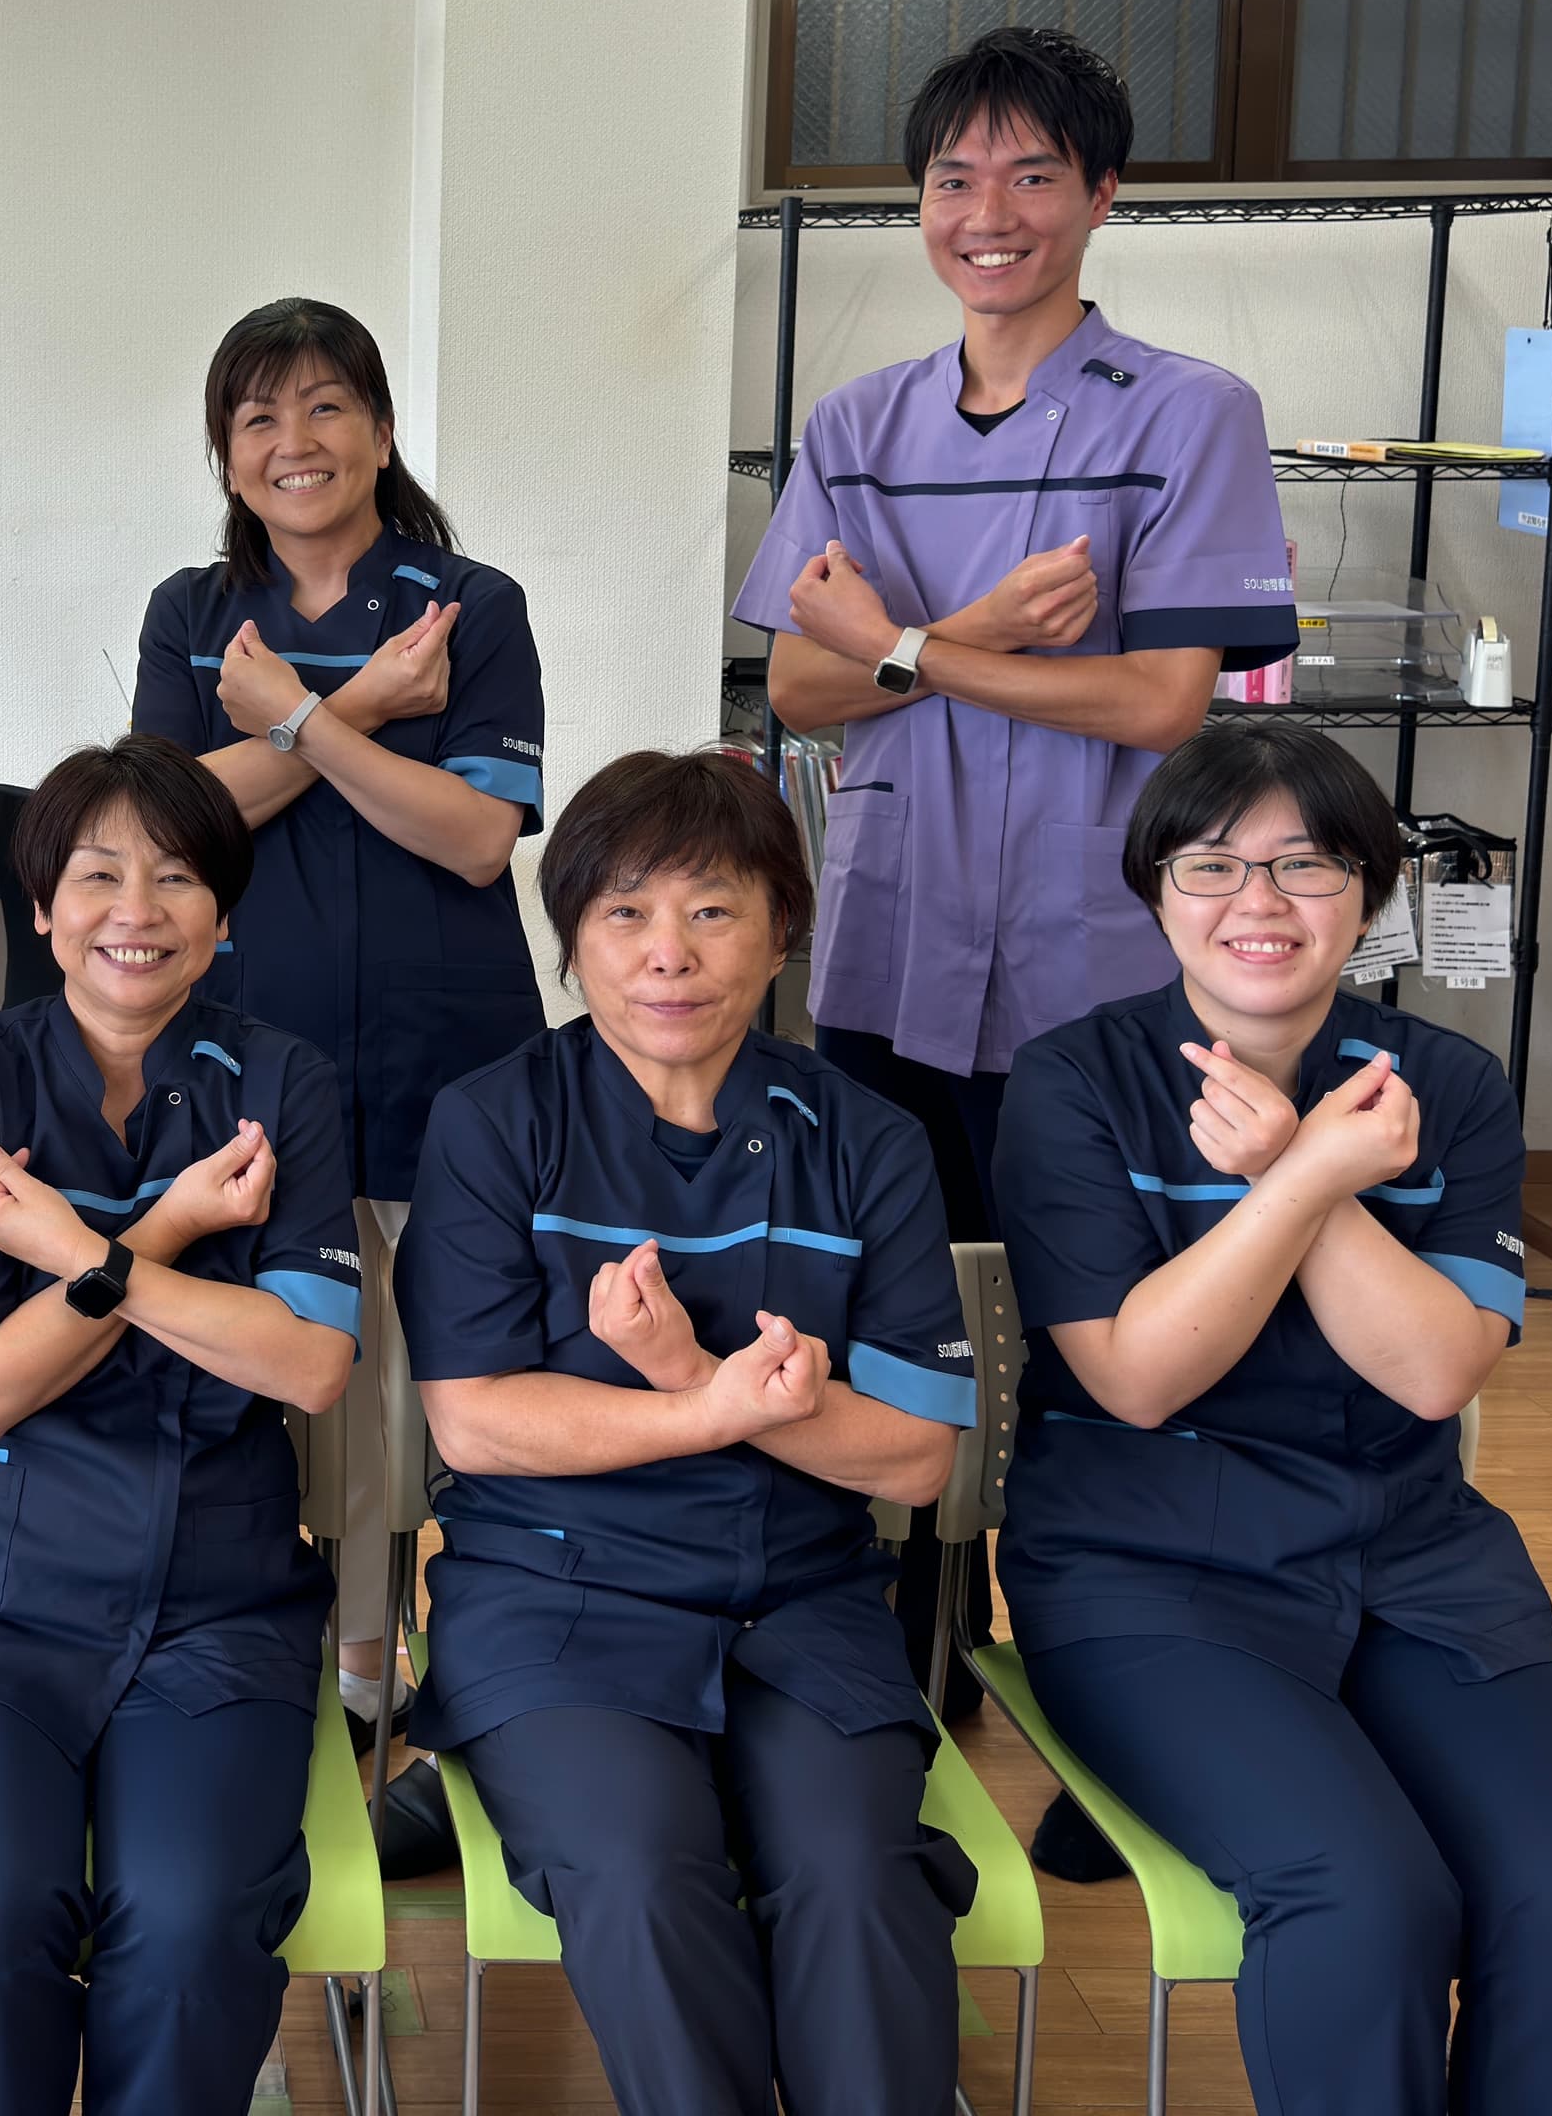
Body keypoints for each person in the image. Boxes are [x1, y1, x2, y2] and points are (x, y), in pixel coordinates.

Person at [731, 24, 1293, 1732]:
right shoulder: (857, 424)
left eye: (1034, 174)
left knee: (1099, 1321)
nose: (991, 213)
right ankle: (914, 1637)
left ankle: (1107, 1659)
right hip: (894, 946)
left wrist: (904, 642)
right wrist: (967, 633)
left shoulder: (1188, 415)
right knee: (893, 1297)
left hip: (1096, 956)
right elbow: (796, 689)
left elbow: (1162, 699)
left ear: (1101, 194)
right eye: (955, 177)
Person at [993, 723, 1552, 2116]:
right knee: (1365, 1898)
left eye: (1306, 865)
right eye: (1212, 865)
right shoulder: (1075, 1083)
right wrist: (1307, 1177)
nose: (1259, 901)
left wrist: (1301, 1171)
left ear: (1369, 894)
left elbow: (1435, 1372)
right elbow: (1136, 1377)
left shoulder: (1449, 1086)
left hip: (1415, 1567)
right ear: (1155, 892)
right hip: (1151, 1575)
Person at [398, 750, 978, 2116]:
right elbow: (477, 1424)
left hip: (804, 1601)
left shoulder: (869, 1141)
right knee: (642, 1872)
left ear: (781, 932)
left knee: (856, 1874)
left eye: (714, 910)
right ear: (573, 940)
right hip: (554, 1600)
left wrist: (701, 1382)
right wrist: (720, 1405)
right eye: (626, 914)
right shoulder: (496, 1123)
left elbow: (916, 1456)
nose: (670, 954)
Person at [0, 735, 360, 2116]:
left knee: (193, 1929)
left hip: (217, 1597)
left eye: (178, 876)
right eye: (97, 874)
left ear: (223, 913)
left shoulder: (285, 1087)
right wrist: (179, 1241)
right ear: (40, 908)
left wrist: (98, 1253)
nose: (137, 909)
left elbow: (312, 1365)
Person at [132, 296, 543, 1823]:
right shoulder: (193, 613)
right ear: (225, 453)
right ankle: (288, 1652)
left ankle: (408, 1662)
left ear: (378, 429)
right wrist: (362, 711)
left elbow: (476, 834)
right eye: (259, 417)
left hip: (450, 1046)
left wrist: (296, 722)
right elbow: (168, 829)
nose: (294, 442)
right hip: (245, 1053)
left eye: (325, 407)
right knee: (276, 1357)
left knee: (445, 1361)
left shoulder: (470, 604)